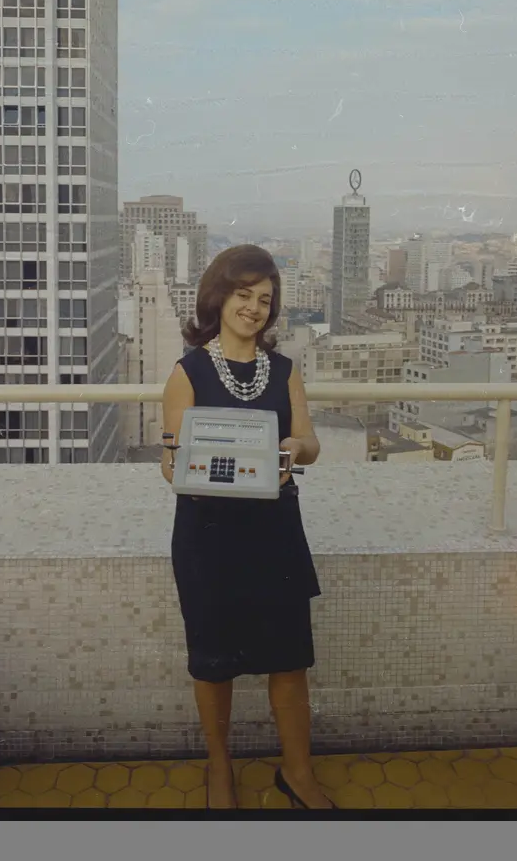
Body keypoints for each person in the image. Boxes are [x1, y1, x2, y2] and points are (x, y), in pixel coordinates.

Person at [161, 244, 335, 811]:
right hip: (208, 535)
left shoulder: (284, 371)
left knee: (289, 659)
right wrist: (182, 468)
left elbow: (310, 443)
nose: (254, 308)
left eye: (264, 299)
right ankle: (220, 768)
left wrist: (295, 447)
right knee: (214, 663)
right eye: (244, 294)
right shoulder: (187, 372)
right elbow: (170, 462)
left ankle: (298, 772)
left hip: (274, 531)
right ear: (219, 296)